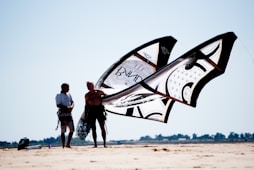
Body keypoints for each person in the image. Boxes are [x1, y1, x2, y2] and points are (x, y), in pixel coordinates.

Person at [85, 81, 107, 147]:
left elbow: (106, 96)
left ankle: (104, 143)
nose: (89, 87)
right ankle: (95, 144)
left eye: (90, 85)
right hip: (91, 111)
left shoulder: (99, 92)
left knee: (102, 127)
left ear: (93, 85)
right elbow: (86, 105)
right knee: (93, 128)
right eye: (88, 86)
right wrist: (86, 115)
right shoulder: (87, 95)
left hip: (99, 110)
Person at [55, 83, 75, 148]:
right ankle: (63, 145)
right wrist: (66, 108)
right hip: (63, 114)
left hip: (69, 114)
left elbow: (72, 102)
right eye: (67, 87)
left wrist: (71, 107)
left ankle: (68, 143)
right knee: (63, 130)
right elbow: (58, 105)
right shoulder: (59, 95)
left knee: (72, 129)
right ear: (63, 88)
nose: (68, 89)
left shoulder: (69, 95)